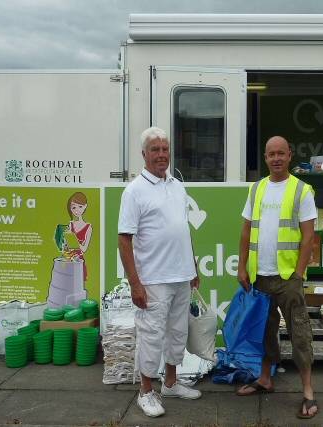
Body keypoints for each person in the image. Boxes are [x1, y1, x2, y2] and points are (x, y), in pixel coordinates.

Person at [118, 126, 201, 418]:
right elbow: (124, 240)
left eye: (165, 149)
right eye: (155, 149)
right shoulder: (134, 191)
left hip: (181, 275)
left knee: (177, 333)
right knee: (151, 336)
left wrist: (192, 267)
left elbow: (183, 229)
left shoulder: (177, 185)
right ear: (144, 154)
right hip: (152, 279)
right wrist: (135, 283)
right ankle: (145, 392)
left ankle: (171, 382)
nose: (161, 155)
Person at [236, 136, 319, 419]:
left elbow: (309, 237)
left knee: (299, 334)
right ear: (265, 157)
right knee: (264, 332)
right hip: (261, 277)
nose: (276, 159)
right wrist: (242, 268)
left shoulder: (301, 190)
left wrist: (298, 274)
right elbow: (246, 231)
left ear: (290, 155)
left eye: (281, 153)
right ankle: (265, 379)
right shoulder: (257, 188)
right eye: (271, 154)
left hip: (288, 278)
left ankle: (308, 392)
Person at [66, 192, 92, 281]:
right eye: (74, 207)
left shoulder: (88, 227)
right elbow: (66, 246)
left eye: (80, 206)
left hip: (79, 260)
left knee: (78, 285)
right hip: (68, 259)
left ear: (85, 206)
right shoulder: (71, 224)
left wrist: (75, 241)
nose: (77, 210)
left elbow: (84, 249)